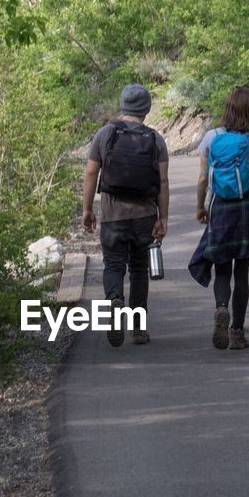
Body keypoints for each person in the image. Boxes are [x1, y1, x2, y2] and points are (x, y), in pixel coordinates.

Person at [82, 83, 170, 346]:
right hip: (144, 215)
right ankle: (139, 330)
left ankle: (114, 300)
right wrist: (162, 217)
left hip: (112, 215)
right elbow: (163, 182)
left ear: (122, 105)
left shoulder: (105, 134)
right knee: (140, 269)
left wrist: (87, 209)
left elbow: (90, 173)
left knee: (114, 265)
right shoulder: (155, 140)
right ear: (147, 109)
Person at [188, 87, 249, 351]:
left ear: (227, 108)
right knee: (242, 272)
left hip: (220, 207)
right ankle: (237, 333)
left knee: (222, 268)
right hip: (246, 209)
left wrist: (200, 207)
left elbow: (202, 179)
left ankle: (221, 308)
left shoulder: (212, 137)